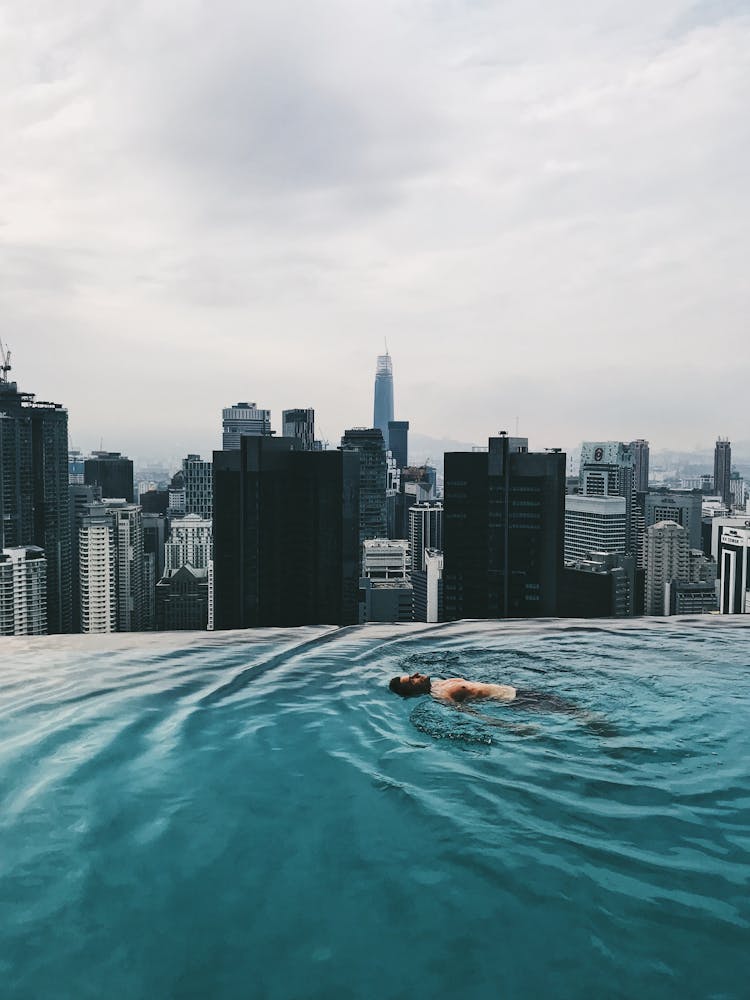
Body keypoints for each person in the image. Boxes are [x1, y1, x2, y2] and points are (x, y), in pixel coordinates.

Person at [388, 671, 596, 722]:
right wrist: (512, 728)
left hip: (517, 692)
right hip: (515, 702)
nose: (416, 675)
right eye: (412, 680)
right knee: (579, 714)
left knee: (576, 711)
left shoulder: (439, 683)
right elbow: (471, 714)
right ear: (414, 691)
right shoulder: (443, 694)